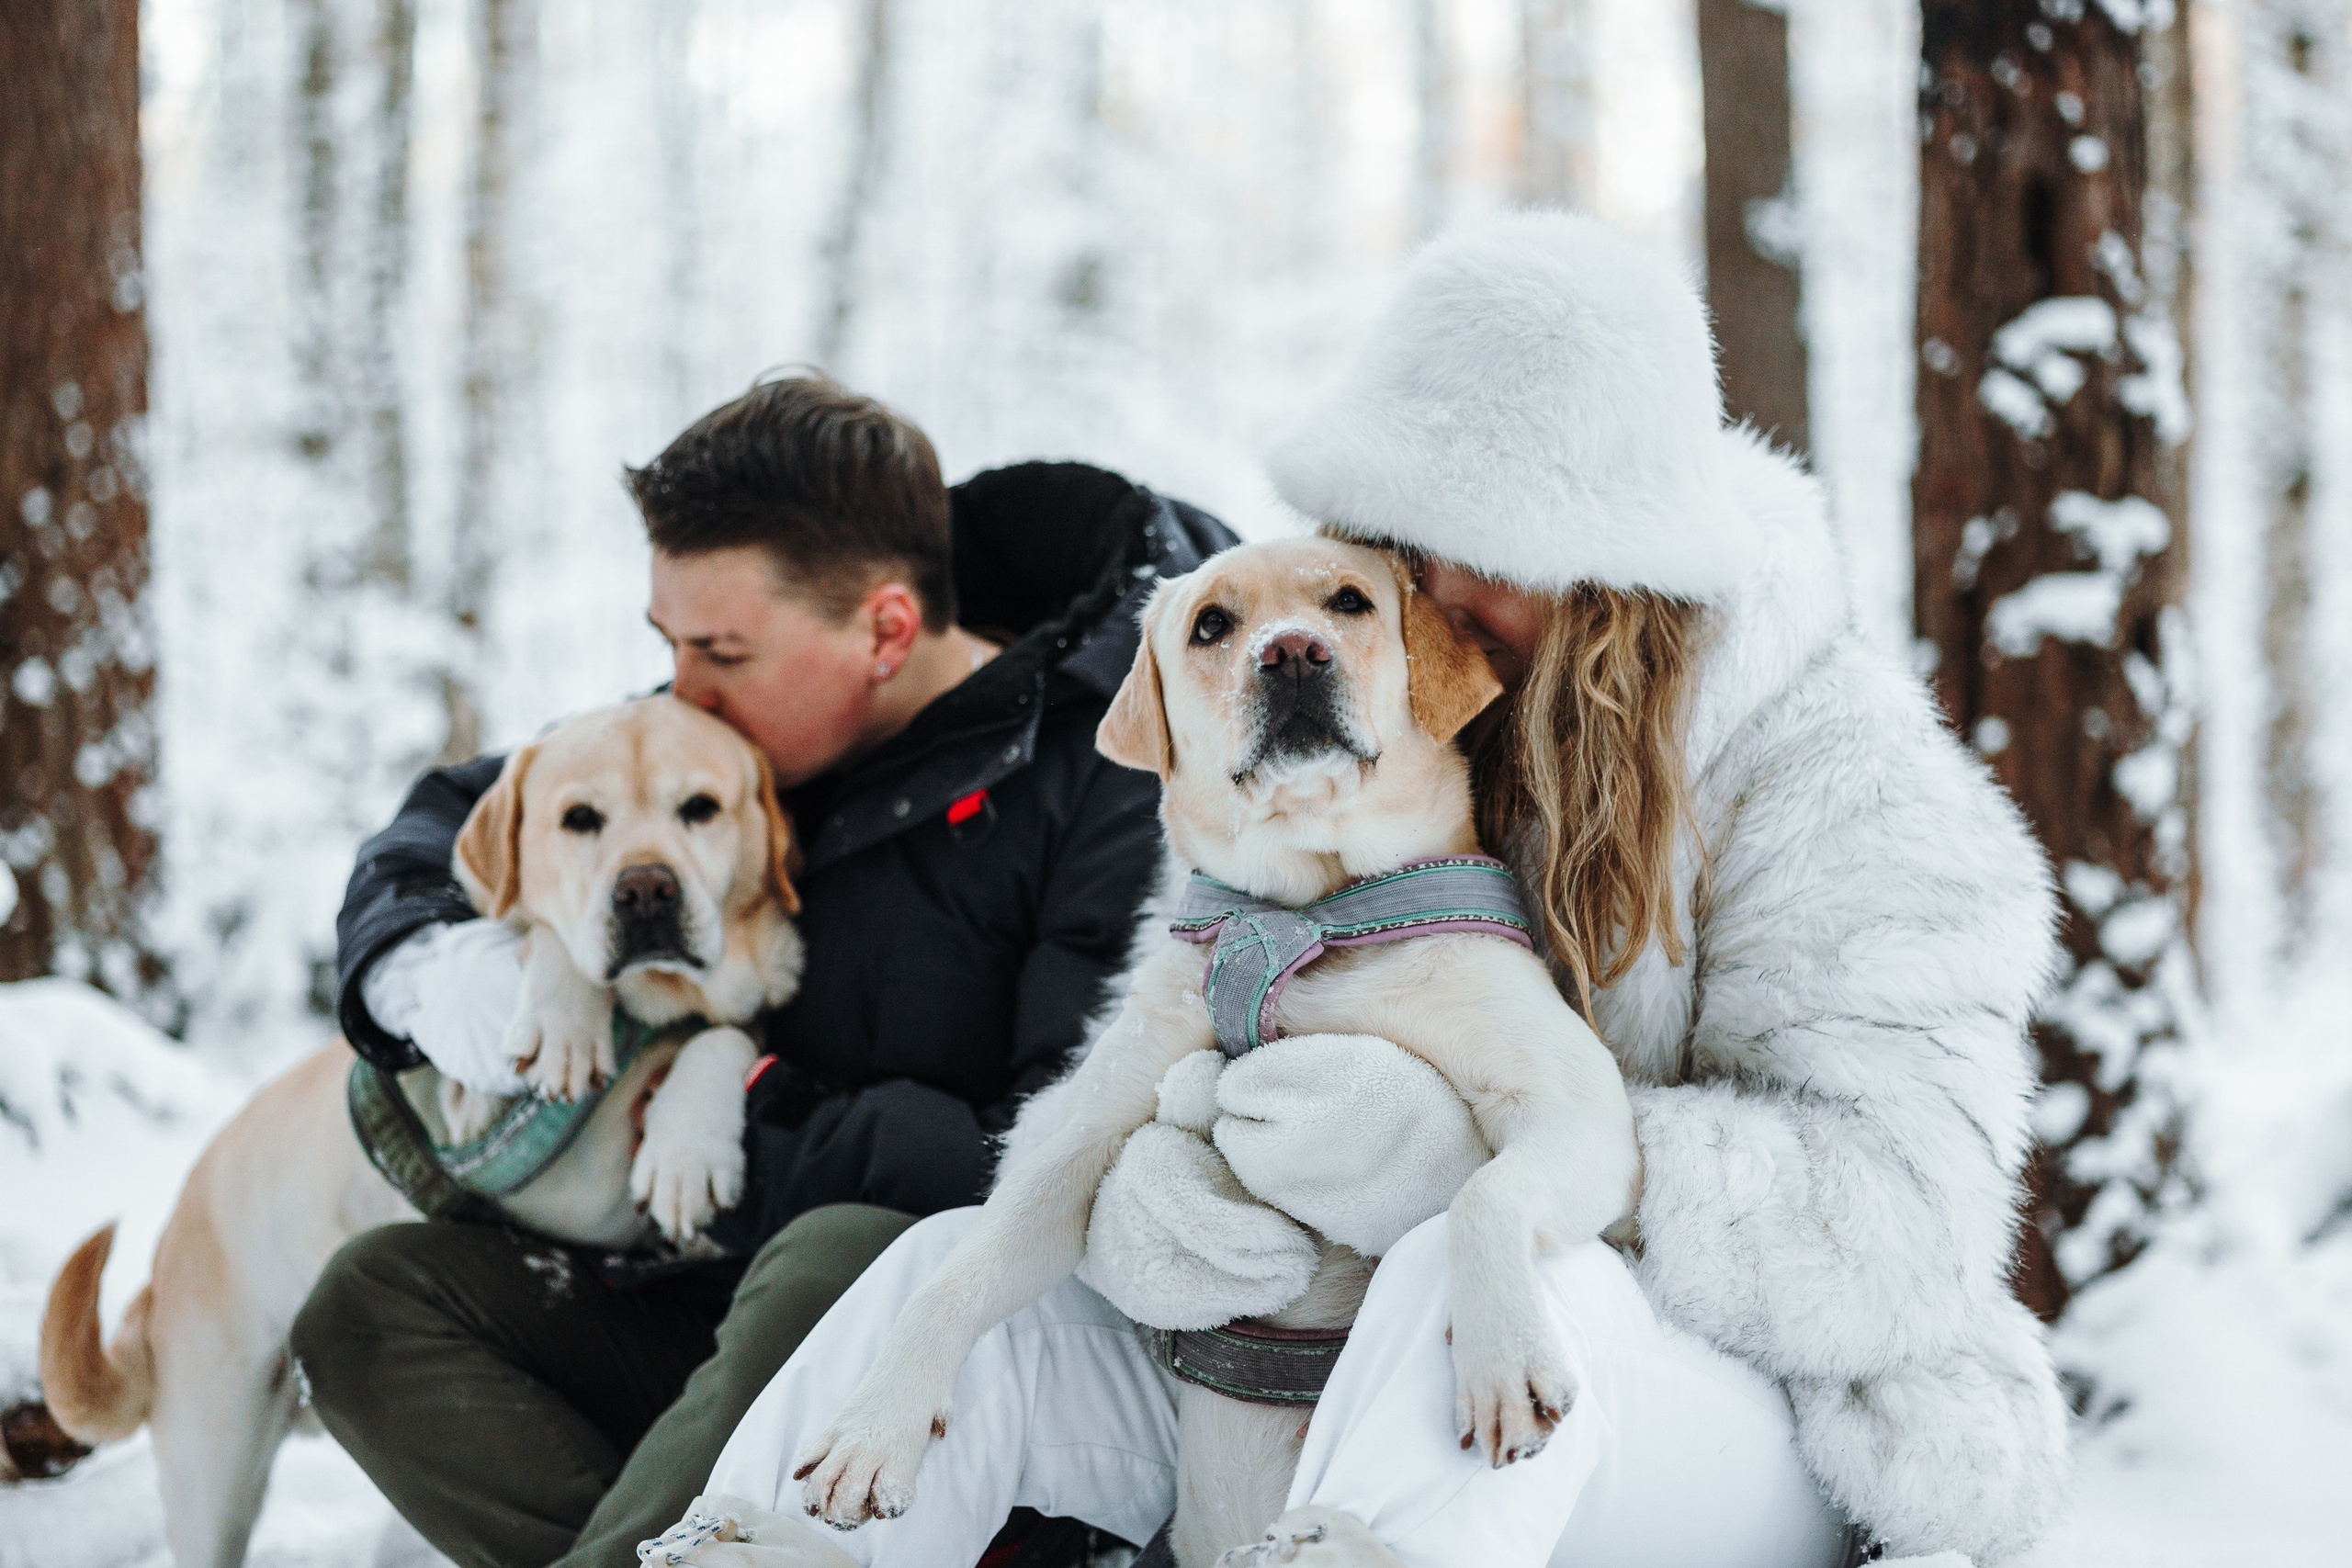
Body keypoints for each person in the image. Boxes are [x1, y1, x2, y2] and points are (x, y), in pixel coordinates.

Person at [671, 212, 2071, 1568]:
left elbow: (1904, 1231)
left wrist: (1476, 1165)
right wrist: (1153, 1199)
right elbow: (1177, 1057)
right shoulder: (1338, 742)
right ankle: (764, 1548)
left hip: (1742, 1419)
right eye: (1400, 542)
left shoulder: (1848, 781)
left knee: (1463, 1284)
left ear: (1612, 566)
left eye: (1493, 547)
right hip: (1325, 1368)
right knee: (941, 1278)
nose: (1431, 592)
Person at [288, 374, 1236, 1568]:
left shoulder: (1121, 773)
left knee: (835, 1252)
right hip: (704, 1296)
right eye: (667, 643)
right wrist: (449, 965)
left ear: (885, 630)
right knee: (372, 1306)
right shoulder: (754, 722)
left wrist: (737, 1112)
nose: (682, 686)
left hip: (951, 1358)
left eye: (717, 650)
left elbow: (1062, 1162)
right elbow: (454, 814)